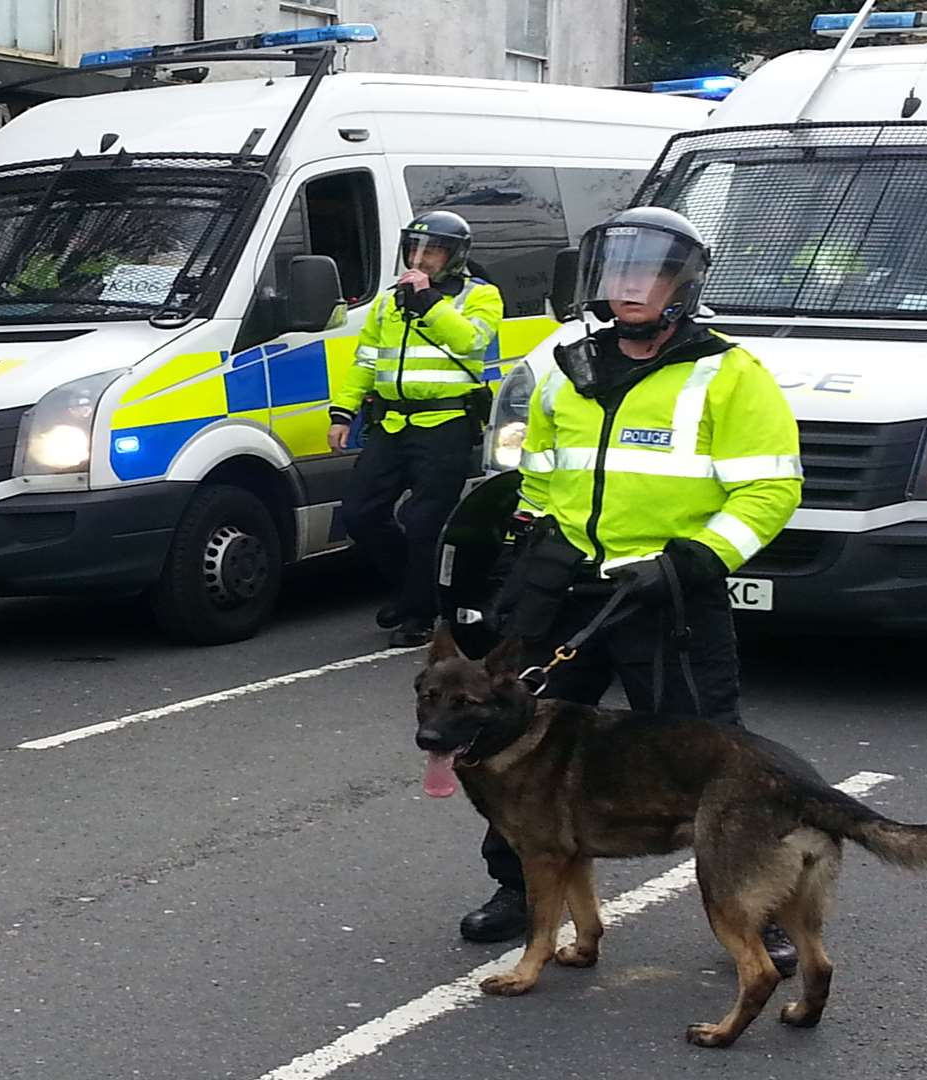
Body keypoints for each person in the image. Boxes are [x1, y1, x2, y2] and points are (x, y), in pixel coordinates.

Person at [458, 207, 806, 975]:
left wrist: (691, 561)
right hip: (569, 583)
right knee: (512, 744)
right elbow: (541, 473)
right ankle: (519, 887)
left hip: (668, 594)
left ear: (683, 284)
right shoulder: (568, 367)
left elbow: (770, 494)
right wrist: (527, 547)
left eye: (647, 273)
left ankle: (764, 908)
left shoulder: (729, 374)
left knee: (715, 755)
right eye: (618, 272)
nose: (628, 288)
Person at [329, 211, 505, 647]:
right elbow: (367, 359)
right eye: (415, 249)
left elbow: (471, 341)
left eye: (433, 251)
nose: (420, 259)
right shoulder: (390, 301)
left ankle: (421, 615)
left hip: (445, 423)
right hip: (391, 422)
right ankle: (410, 591)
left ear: (455, 256)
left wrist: (429, 302)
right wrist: (342, 412)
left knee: (426, 523)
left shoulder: (481, 297)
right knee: (359, 513)